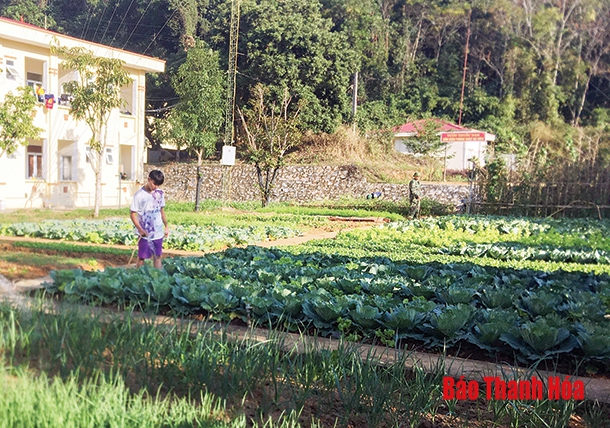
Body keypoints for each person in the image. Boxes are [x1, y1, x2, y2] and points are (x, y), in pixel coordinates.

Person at [130, 170, 169, 268]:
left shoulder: (160, 194)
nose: (155, 186)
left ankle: (158, 278)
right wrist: (140, 230)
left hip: (158, 232)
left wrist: (166, 226)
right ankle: (139, 277)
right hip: (144, 233)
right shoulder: (139, 195)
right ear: (148, 179)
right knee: (142, 257)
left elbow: (162, 211)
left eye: (158, 185)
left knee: (158, 256)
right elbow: (132, 214)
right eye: (154, 183)